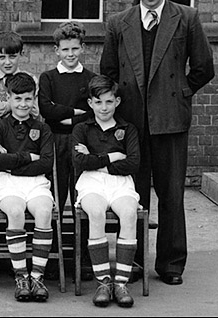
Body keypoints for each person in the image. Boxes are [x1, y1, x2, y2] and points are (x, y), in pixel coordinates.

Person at [100, 0, 215, 285]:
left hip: (170, 120)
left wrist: (180, 91)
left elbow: (204, 67)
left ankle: (171, 264)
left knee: (171, 194)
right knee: (133, 195)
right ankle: (132, 262)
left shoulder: (187, 18)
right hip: (132, 122)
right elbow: (108, 70)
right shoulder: (119, 22)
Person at [72, 75, 141, 308]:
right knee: (96, 212)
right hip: (91, 182)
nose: (104, 108)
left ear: (117, 101)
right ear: (90, 103)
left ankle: (121, 283)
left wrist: (95, 159)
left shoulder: (127, 129)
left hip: (121, 182)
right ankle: (103, 282)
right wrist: (111, 157)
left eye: (109, 102)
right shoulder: (82, 129)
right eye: (99, 102)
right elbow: (80, 162)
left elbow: (133, 163)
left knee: (130, 214)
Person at [0, 72, 54, 303]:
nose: (23, 104)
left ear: (34, 99)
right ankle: (21, 277)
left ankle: (37, 276)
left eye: (28, 99)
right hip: (8, 183)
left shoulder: (42, 128)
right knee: (15, 212)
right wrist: (28, 157)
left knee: (44, 211)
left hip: (37, 183)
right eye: (18, 99)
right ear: (9, 98)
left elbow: (46, 162)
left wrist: (13, 160)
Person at [0, 31, 38, 277]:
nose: (7, 62)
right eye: (2, 57)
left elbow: (33, 110)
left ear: (20, 55)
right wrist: (12, 106)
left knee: (24, 198)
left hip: (23, 141)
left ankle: (24, 257)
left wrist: (8, 108)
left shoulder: (30, 79)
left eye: (12, 56)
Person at [38, 22, 96, 280]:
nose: (70, 54)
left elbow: (93, 114)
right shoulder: (48, 77)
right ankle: (52, 259)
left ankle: (81, 259)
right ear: (56, 50)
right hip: (55, 143)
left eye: (75, 48)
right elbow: (47, 112)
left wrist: (68, 118)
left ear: (82, 48)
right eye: (65, 49)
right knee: (56, 199)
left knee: (80, 199)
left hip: (82, 143)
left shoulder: (90, 78)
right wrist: (75, 112)